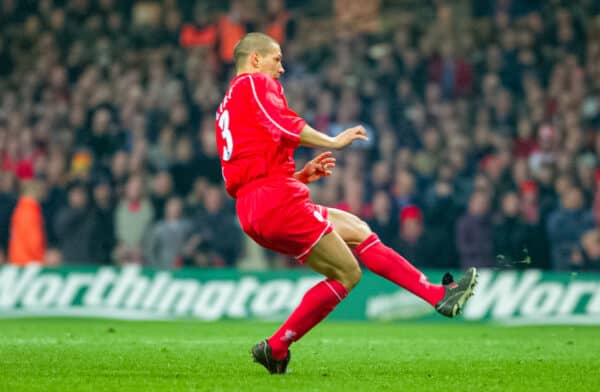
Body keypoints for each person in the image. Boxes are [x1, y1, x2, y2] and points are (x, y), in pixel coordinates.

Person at [215, 32, 477, 375]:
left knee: (358, 230)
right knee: (348, 273)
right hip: (274, 198)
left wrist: (301, 176)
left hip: (256, 204)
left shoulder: (226, 106)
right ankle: (277, 346)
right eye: (276, 59)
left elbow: (249, 170)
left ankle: (435, 294)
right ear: (254, 59)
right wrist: (333, 141)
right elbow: (284, 123)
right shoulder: (252, 84)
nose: (282, 67)